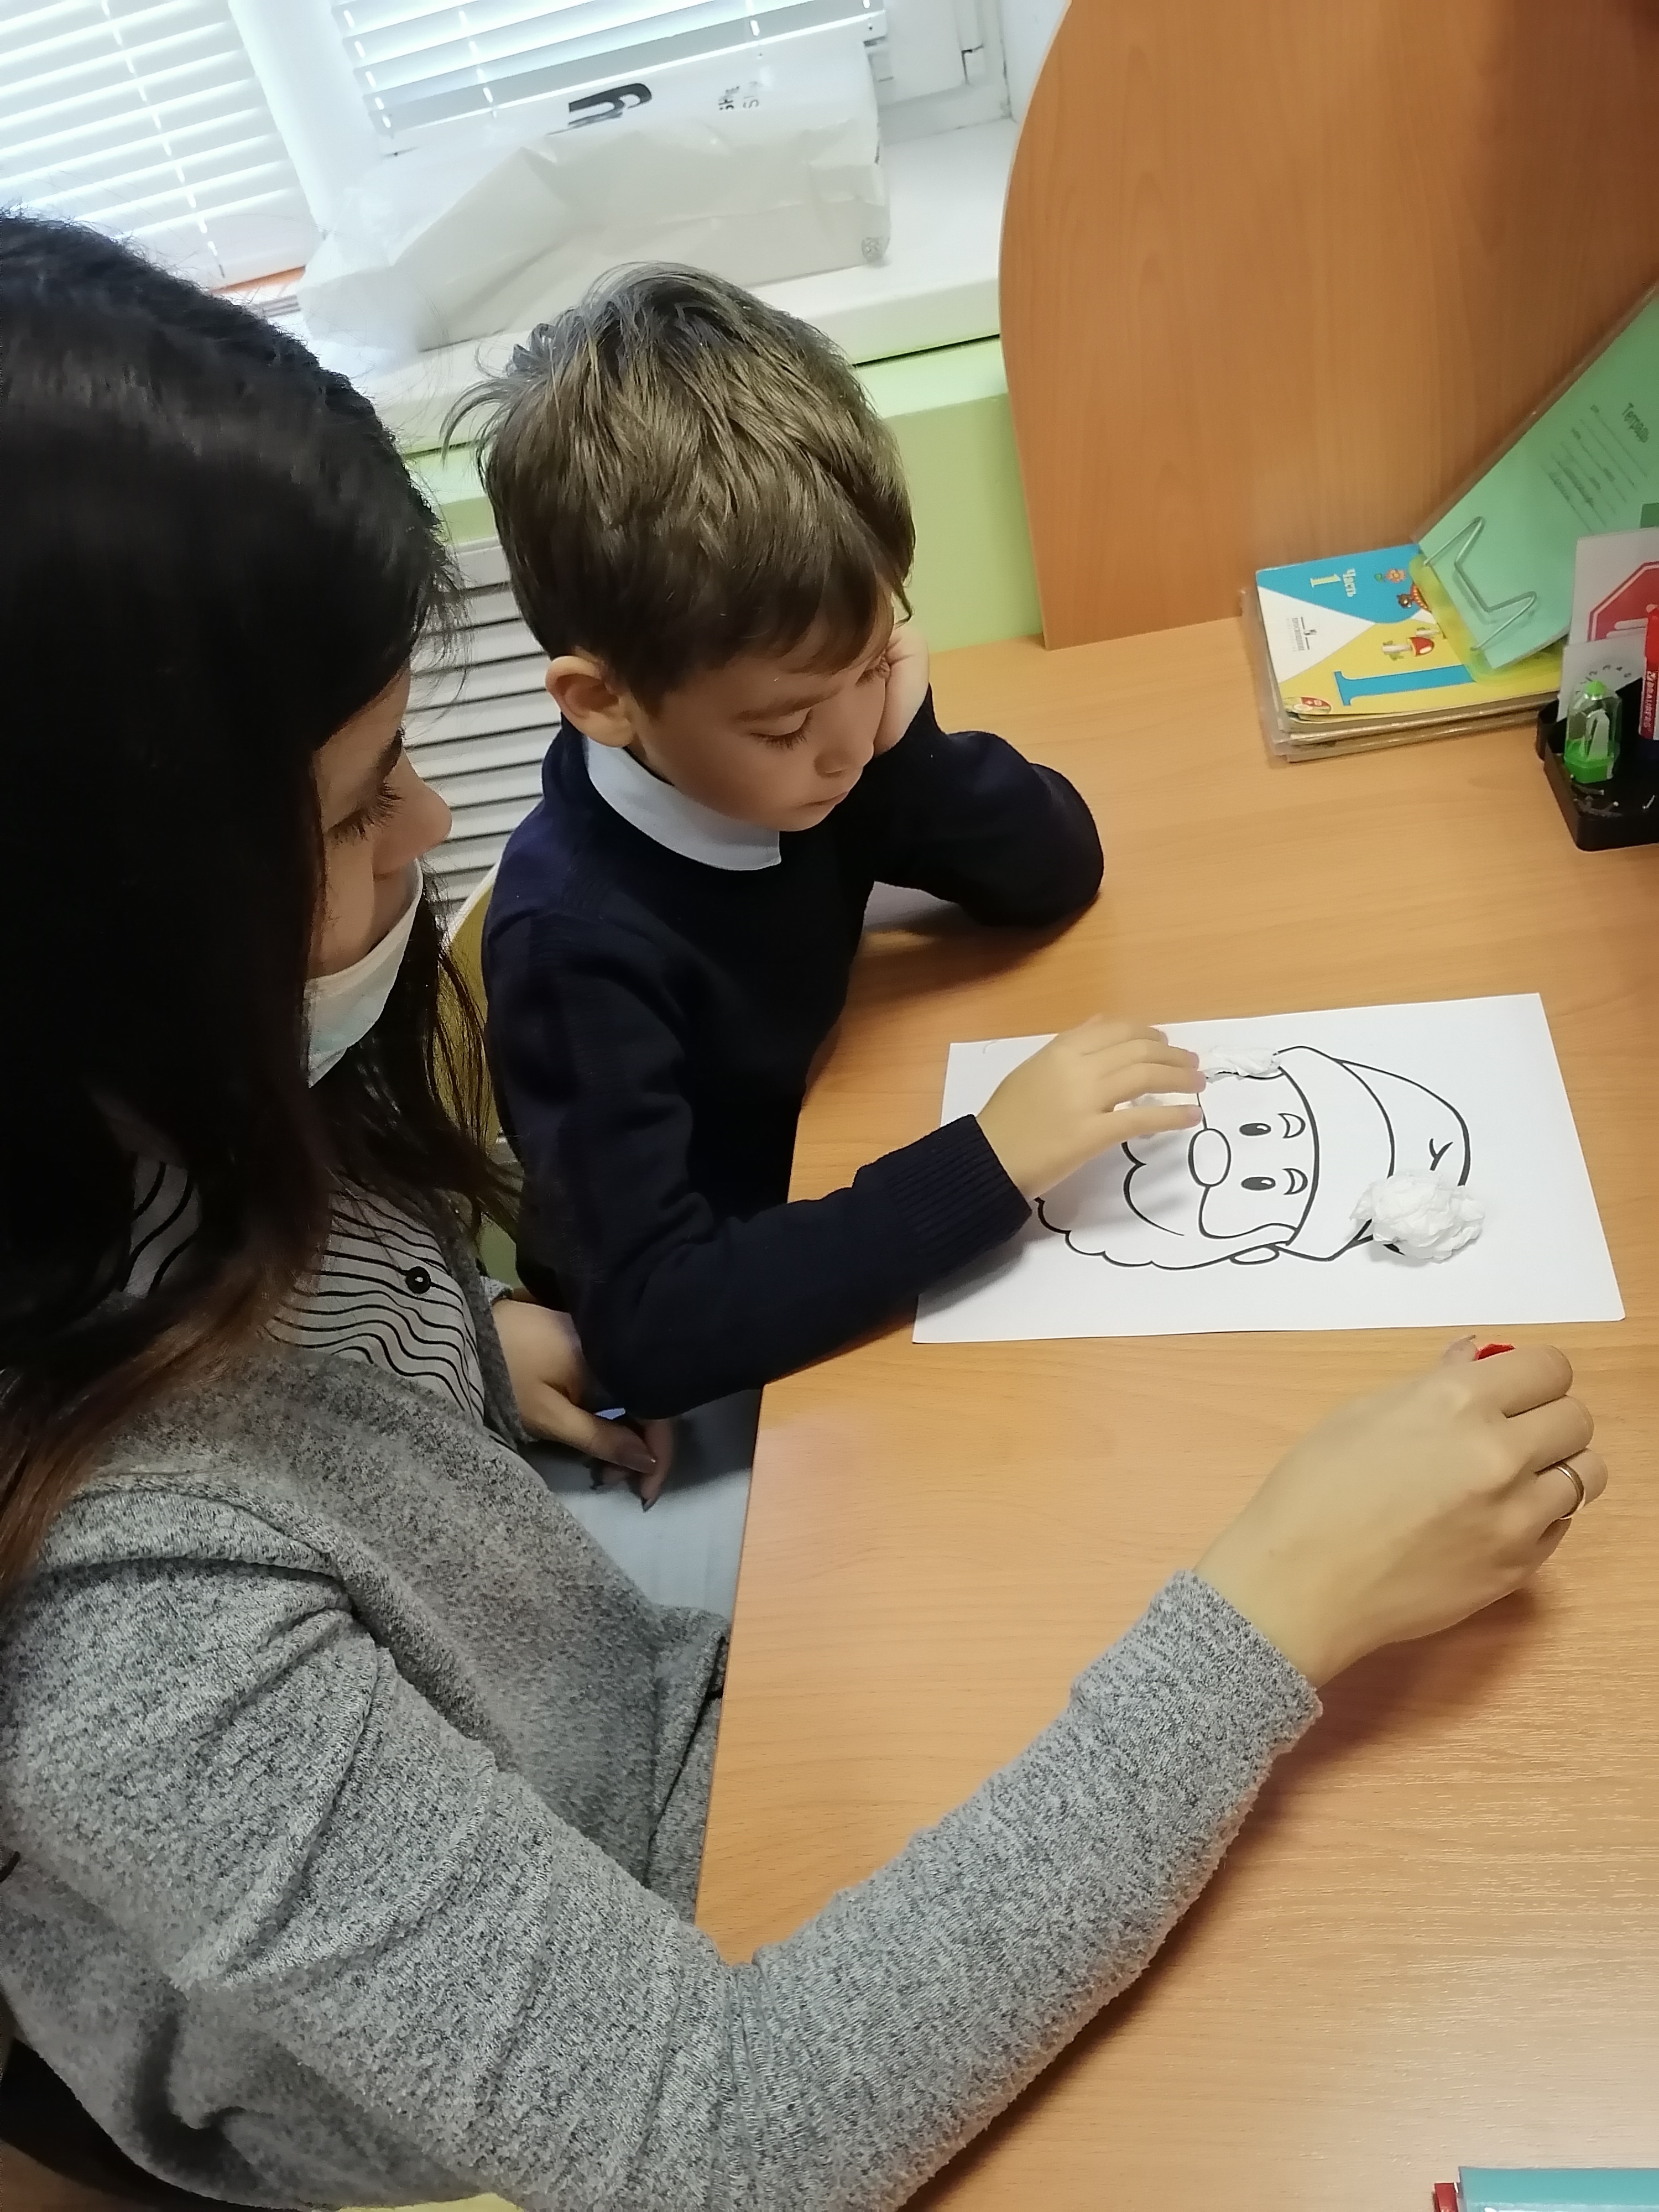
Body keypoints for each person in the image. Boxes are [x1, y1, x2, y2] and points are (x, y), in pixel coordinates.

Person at [0, 214, 1604, 2212]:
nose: (433, 829)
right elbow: (728, 2143)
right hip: (629, 1956)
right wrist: (1284, 1604)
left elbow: (320, 1357)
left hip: (596, 1673)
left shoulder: (183, 1134)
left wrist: (454, 1353)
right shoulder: (121, 1628)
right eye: (356, 802)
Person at [468, 267, 1208, 1419]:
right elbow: (655, 1324)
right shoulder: (572, 944)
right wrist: (991, 1161)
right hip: (722, 1338)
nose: (848, 745)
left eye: (875, 664)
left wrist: (913, 746)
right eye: (785, 723)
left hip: (828, 1185)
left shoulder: (823, 757)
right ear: (604, 702)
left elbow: (1057, 872)